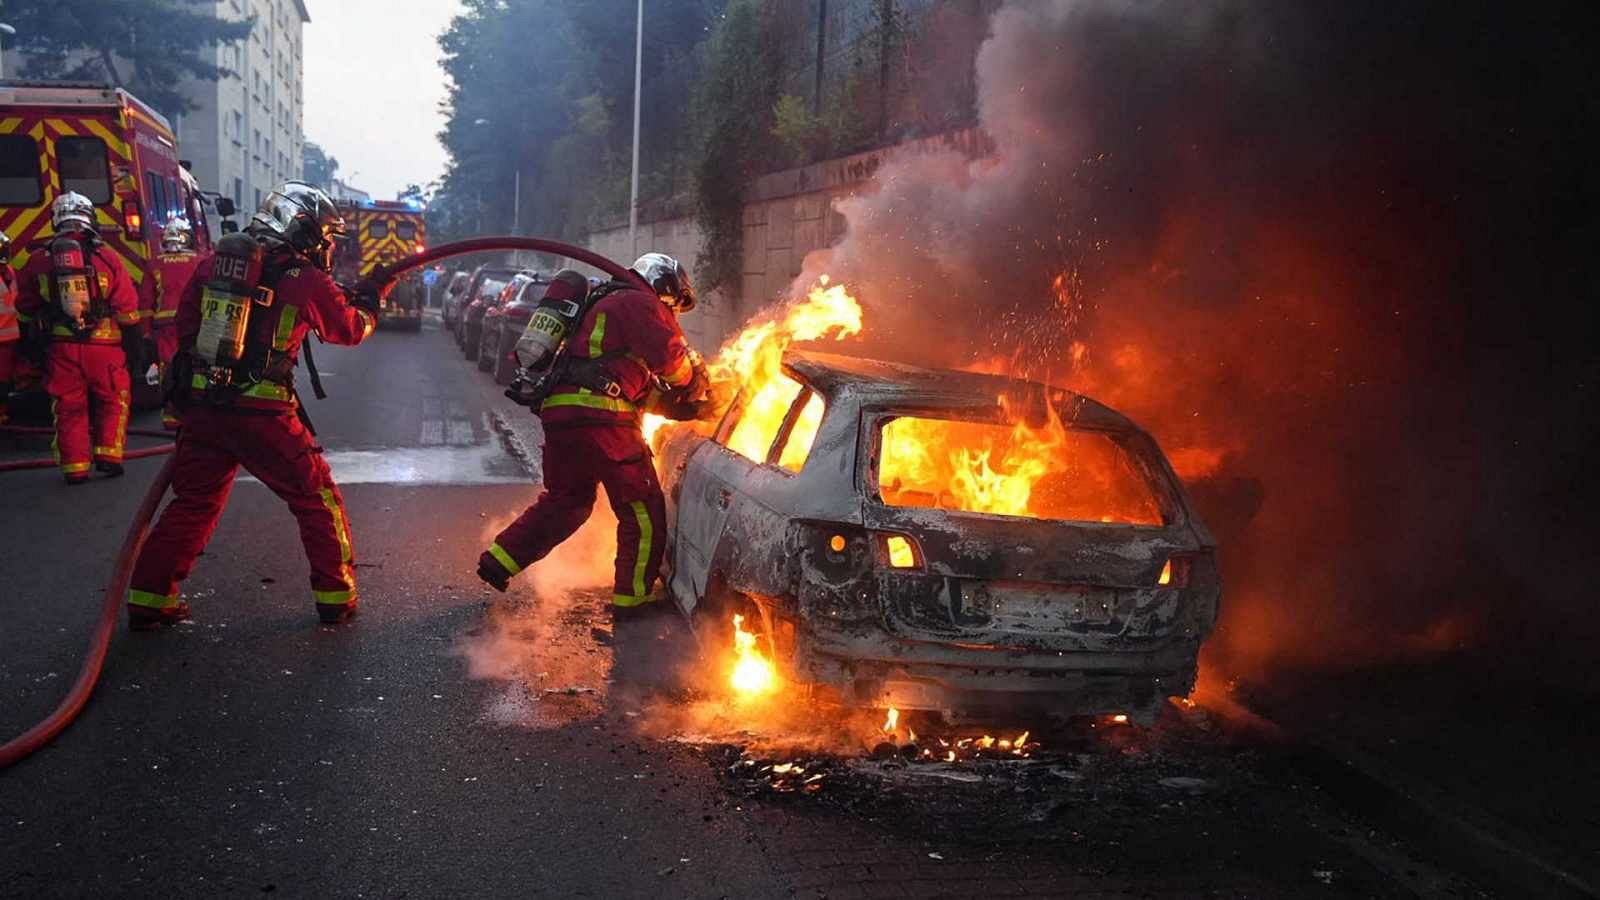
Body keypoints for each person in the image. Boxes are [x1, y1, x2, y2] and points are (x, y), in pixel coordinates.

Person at [126, 182, 384, 631]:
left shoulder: (213, 267)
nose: (325, 246)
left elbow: (186, 332)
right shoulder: (304, 278)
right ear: (304, 231)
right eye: (323, 236)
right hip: (264, 416)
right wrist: (368, 305)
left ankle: (150, 599)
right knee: (315, 498)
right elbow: (347, 330)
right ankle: (335, 595)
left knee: (193, 502)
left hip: (205, 411)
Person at [478, 253, 711, 613]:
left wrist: (675, 408)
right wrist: (695, 380)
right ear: (664, 285)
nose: (673, 312)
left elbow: (616, 377)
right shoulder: (641, 303)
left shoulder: (597, 302)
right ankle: (632, 599)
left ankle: (499, 560)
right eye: (674, 303)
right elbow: (674, 367)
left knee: (567, 501)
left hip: (561, 415)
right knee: (642, 510)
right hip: (605, 420)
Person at [12, 192, 143, 483]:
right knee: (112, 399)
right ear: (90, 218)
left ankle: (75, 468)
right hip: (105, 348)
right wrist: (136, 348)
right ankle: (109, 454)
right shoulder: (107, 257)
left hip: (62, 349)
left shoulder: (39, 260)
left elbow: (25, 308)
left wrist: (29, 345)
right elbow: (127, 309)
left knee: (69, 406)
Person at [0, 231, 17, 424]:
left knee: (4, 380)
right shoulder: (8, 272)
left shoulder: (10, 273)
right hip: (6, 338)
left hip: (9, 339)